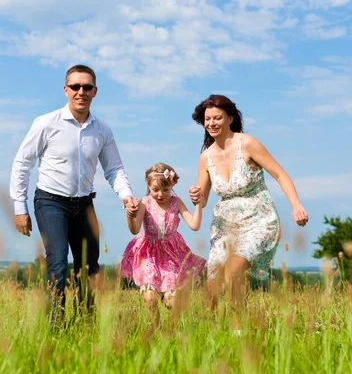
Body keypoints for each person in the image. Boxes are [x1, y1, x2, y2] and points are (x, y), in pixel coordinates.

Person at [9, 64, 138, 324]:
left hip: (84, 205)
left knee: (89, 267)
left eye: (87, 87)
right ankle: (56, 326)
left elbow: (114, 168)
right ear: (66, 90)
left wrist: (126, 196)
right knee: (57, 262)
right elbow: (23, 163)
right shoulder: (46, 123)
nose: (81, 92)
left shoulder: (102, 129)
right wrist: (19, 208)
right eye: (76, 87)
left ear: (95, 91)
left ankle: (85, 323)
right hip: (50, 202)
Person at [188, 95, 308, 322]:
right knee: (212, 286)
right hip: (225, 227)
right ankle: (216, 332)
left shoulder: (248, 143)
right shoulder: (206, 157)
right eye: (207, 119)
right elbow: (202, 199)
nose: (212, 123)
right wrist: (197, 196)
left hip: (258, 220)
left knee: (233, 272)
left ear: (230, 118)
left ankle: (238, 330)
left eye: (217, 118)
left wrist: (296, 205)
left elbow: (280, 174)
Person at [121, 163, 206, 330]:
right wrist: (130, 215)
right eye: (155, 190)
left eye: (165, 190)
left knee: (171, 302)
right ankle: (157, 328)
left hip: (171, 255)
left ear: (172, 185)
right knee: (149, 296)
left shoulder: (177, 202)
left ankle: (171, 330)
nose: (160, 194)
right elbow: (134, 229)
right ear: (148, 186)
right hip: (148, 254)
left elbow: (195, 225)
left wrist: (198, 204)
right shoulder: (144, 202)